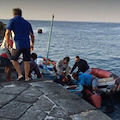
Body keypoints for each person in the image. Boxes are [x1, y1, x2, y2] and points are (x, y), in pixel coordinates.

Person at [5, 8, 35, 81]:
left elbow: (7, 32)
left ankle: (20, 75)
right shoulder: (27, 23)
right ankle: (27, 77)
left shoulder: (12, 21)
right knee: (26, 61)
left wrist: (7, 42)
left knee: (13, 59)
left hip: (18, 44)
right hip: (27, 44)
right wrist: (32, 44)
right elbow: (32, 35)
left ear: (13, 14)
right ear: (21, 14)